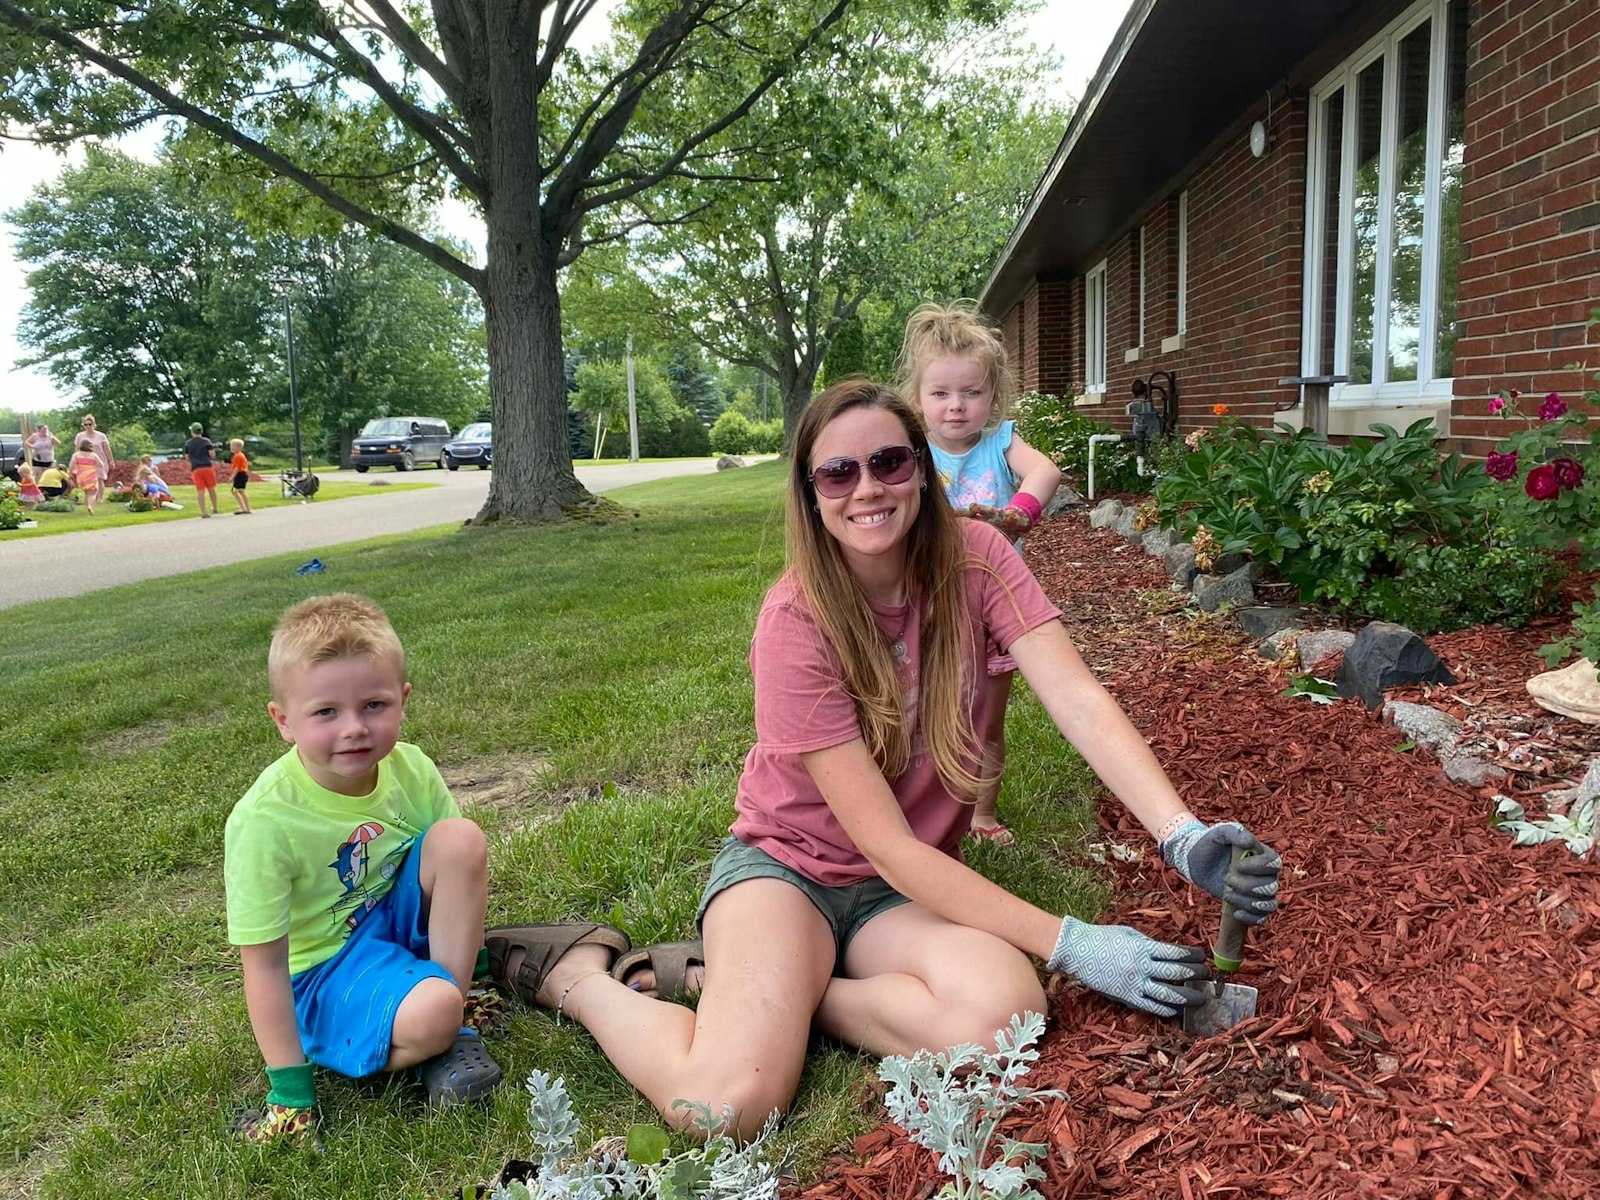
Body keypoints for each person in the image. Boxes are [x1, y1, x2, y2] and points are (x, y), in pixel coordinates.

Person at [484, 380, 1283, 1141]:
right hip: (786, 872)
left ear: (922, 469)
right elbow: (885, 842)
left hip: (895, 895)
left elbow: (1078, 699)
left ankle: (730, 982)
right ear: (810, 491)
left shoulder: (978, 560)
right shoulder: (796, 620)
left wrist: (1181, 832)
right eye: (838, 471)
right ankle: (580, 978)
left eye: (890, 462)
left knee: (1005, 1017)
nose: (867, 488)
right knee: (727, 1107)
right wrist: (1076, 943)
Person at [224, 594, 504, 1145]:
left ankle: (463, 1001)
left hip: (391, 924)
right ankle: (430, 1026)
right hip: (326, 969)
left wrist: (480, 962)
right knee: (433, 1013)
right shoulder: (265, 821)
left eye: (373, 705)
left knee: (460, 838)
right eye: (326, 712)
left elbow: (455, 873)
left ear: (402, 699)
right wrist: (289, 1091)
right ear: (284, 721)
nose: (354, 728)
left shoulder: (411, 766)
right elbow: (262, 965)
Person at [901, 300, 1063, 846]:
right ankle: (913, 806)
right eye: (941, 393)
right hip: (929, 606)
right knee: (918, 712)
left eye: (972, 393)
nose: (956, 406)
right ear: (918, 397)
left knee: (986, 719)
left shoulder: (1000, 443)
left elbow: (1046, 469)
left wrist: (1020, 511)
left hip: (993, 613)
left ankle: (982, 814)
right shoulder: (910, 451)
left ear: (993, 396)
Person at [184, 423, 220, 518]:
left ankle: (203, 512)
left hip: (196, 468)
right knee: (211, 488)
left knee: (200, 490)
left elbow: (187, 457)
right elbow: (212, 454)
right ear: (201, 431)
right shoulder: (206, 441)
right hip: (207, 466)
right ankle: (215, 507)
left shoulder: (188, 443)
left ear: (192, 432)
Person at [79, 414, 113, 505]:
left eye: (90, 424)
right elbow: (77, 449)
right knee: (87, 480)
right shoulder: (80, 436)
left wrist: (111, 460)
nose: (88, 426)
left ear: (94, 425)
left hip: (99, 459)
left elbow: (106, 448)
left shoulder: (101, 436)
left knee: (100, 479)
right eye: (86, 425)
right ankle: (89, 498)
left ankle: (99, 498)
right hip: (85, 461)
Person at [68, 436, 102, 516]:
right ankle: (90, 506)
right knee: (92, 493)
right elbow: (100, 464)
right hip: (91, 474)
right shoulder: (93, 455)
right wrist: (94, 465)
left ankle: (88, 507)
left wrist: (70, 474)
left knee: (87, 492)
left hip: (81, 475)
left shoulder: (76, 455)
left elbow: (71, 465)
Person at [228, 438, 254, 514]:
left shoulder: (238, 456)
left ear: (240, 448)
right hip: (242, 474)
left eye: (234, 446)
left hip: (240, 474)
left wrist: (232, 477)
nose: (232, 447)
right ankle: (245, 508)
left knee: (237, 491)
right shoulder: (239, 455)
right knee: (240, 491)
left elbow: (237, 468)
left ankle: (244, 508)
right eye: (231, 445)